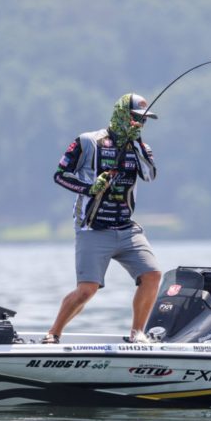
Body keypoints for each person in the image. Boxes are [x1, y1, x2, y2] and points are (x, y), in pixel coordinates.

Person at [44, 93, 162, 344]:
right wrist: (89, 188)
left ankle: (137, 334)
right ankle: (53, 333)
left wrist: (136, 141)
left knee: (152, 275)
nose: (139, 124)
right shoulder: (87, 142)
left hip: (127, 228)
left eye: (143, 121)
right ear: (122, 114)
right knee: (87, 290)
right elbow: (60, 174)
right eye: (135, 119)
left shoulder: (141, 148)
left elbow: (150, 176)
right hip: (93, 228)